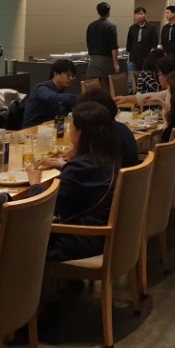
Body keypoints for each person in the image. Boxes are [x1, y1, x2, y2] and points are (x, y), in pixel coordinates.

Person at [28, 102, 120, 262]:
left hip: (79, 239)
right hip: (100, 234)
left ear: (80, 133)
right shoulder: (110, 159)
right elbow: (86, 178)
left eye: (71, 127)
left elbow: (44, 207)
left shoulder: (79, 167)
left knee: (11, 234)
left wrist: (35, 184)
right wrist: (63, 165)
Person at [78, 88, 139, 168]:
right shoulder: (122, 127)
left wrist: (73, 156)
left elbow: (92, 169)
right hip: (130, 174)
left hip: (115, 175)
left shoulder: (103, 136)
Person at [22, 58, 78, 129]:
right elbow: (53, 97)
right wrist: (79, 99)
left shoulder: (60, 91)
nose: (71, 78)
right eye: (68, 75)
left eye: (73, 76)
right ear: (56, 74)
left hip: (48, 129)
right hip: (31, 130)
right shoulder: (41, 88)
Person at [125, 6, 158, 90]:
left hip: (145, 59)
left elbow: (154, 44)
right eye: (137, 14)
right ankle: (131, 95)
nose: (139, 16)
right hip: (133, 59)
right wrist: (128, 58)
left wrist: (150, 59)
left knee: (144, 81)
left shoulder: (151, 28)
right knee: (130, 82)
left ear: (145, 15)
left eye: (141, 13)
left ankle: (142, 96)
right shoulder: (132, 28)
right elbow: (129, 43)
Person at [86, 1, 119, 83]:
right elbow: (114, 47)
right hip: (106, 61)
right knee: (106, 86)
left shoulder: (91, 26)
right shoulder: (111, 26)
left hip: (92, 61)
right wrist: (115, 63)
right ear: (108, 12)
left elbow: (88, 42)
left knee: (94, 86)